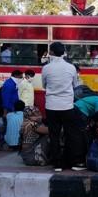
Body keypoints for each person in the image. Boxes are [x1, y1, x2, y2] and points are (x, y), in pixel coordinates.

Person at [42, 41, 79, 171]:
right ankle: (72, 162)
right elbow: (75, 85)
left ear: (51, 52)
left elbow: (44, 85)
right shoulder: (71, 67)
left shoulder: (46, 68)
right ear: (63, 52)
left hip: (51, 106)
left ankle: (57, 163)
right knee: (70, 134)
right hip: (67, 106)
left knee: (54, 135)